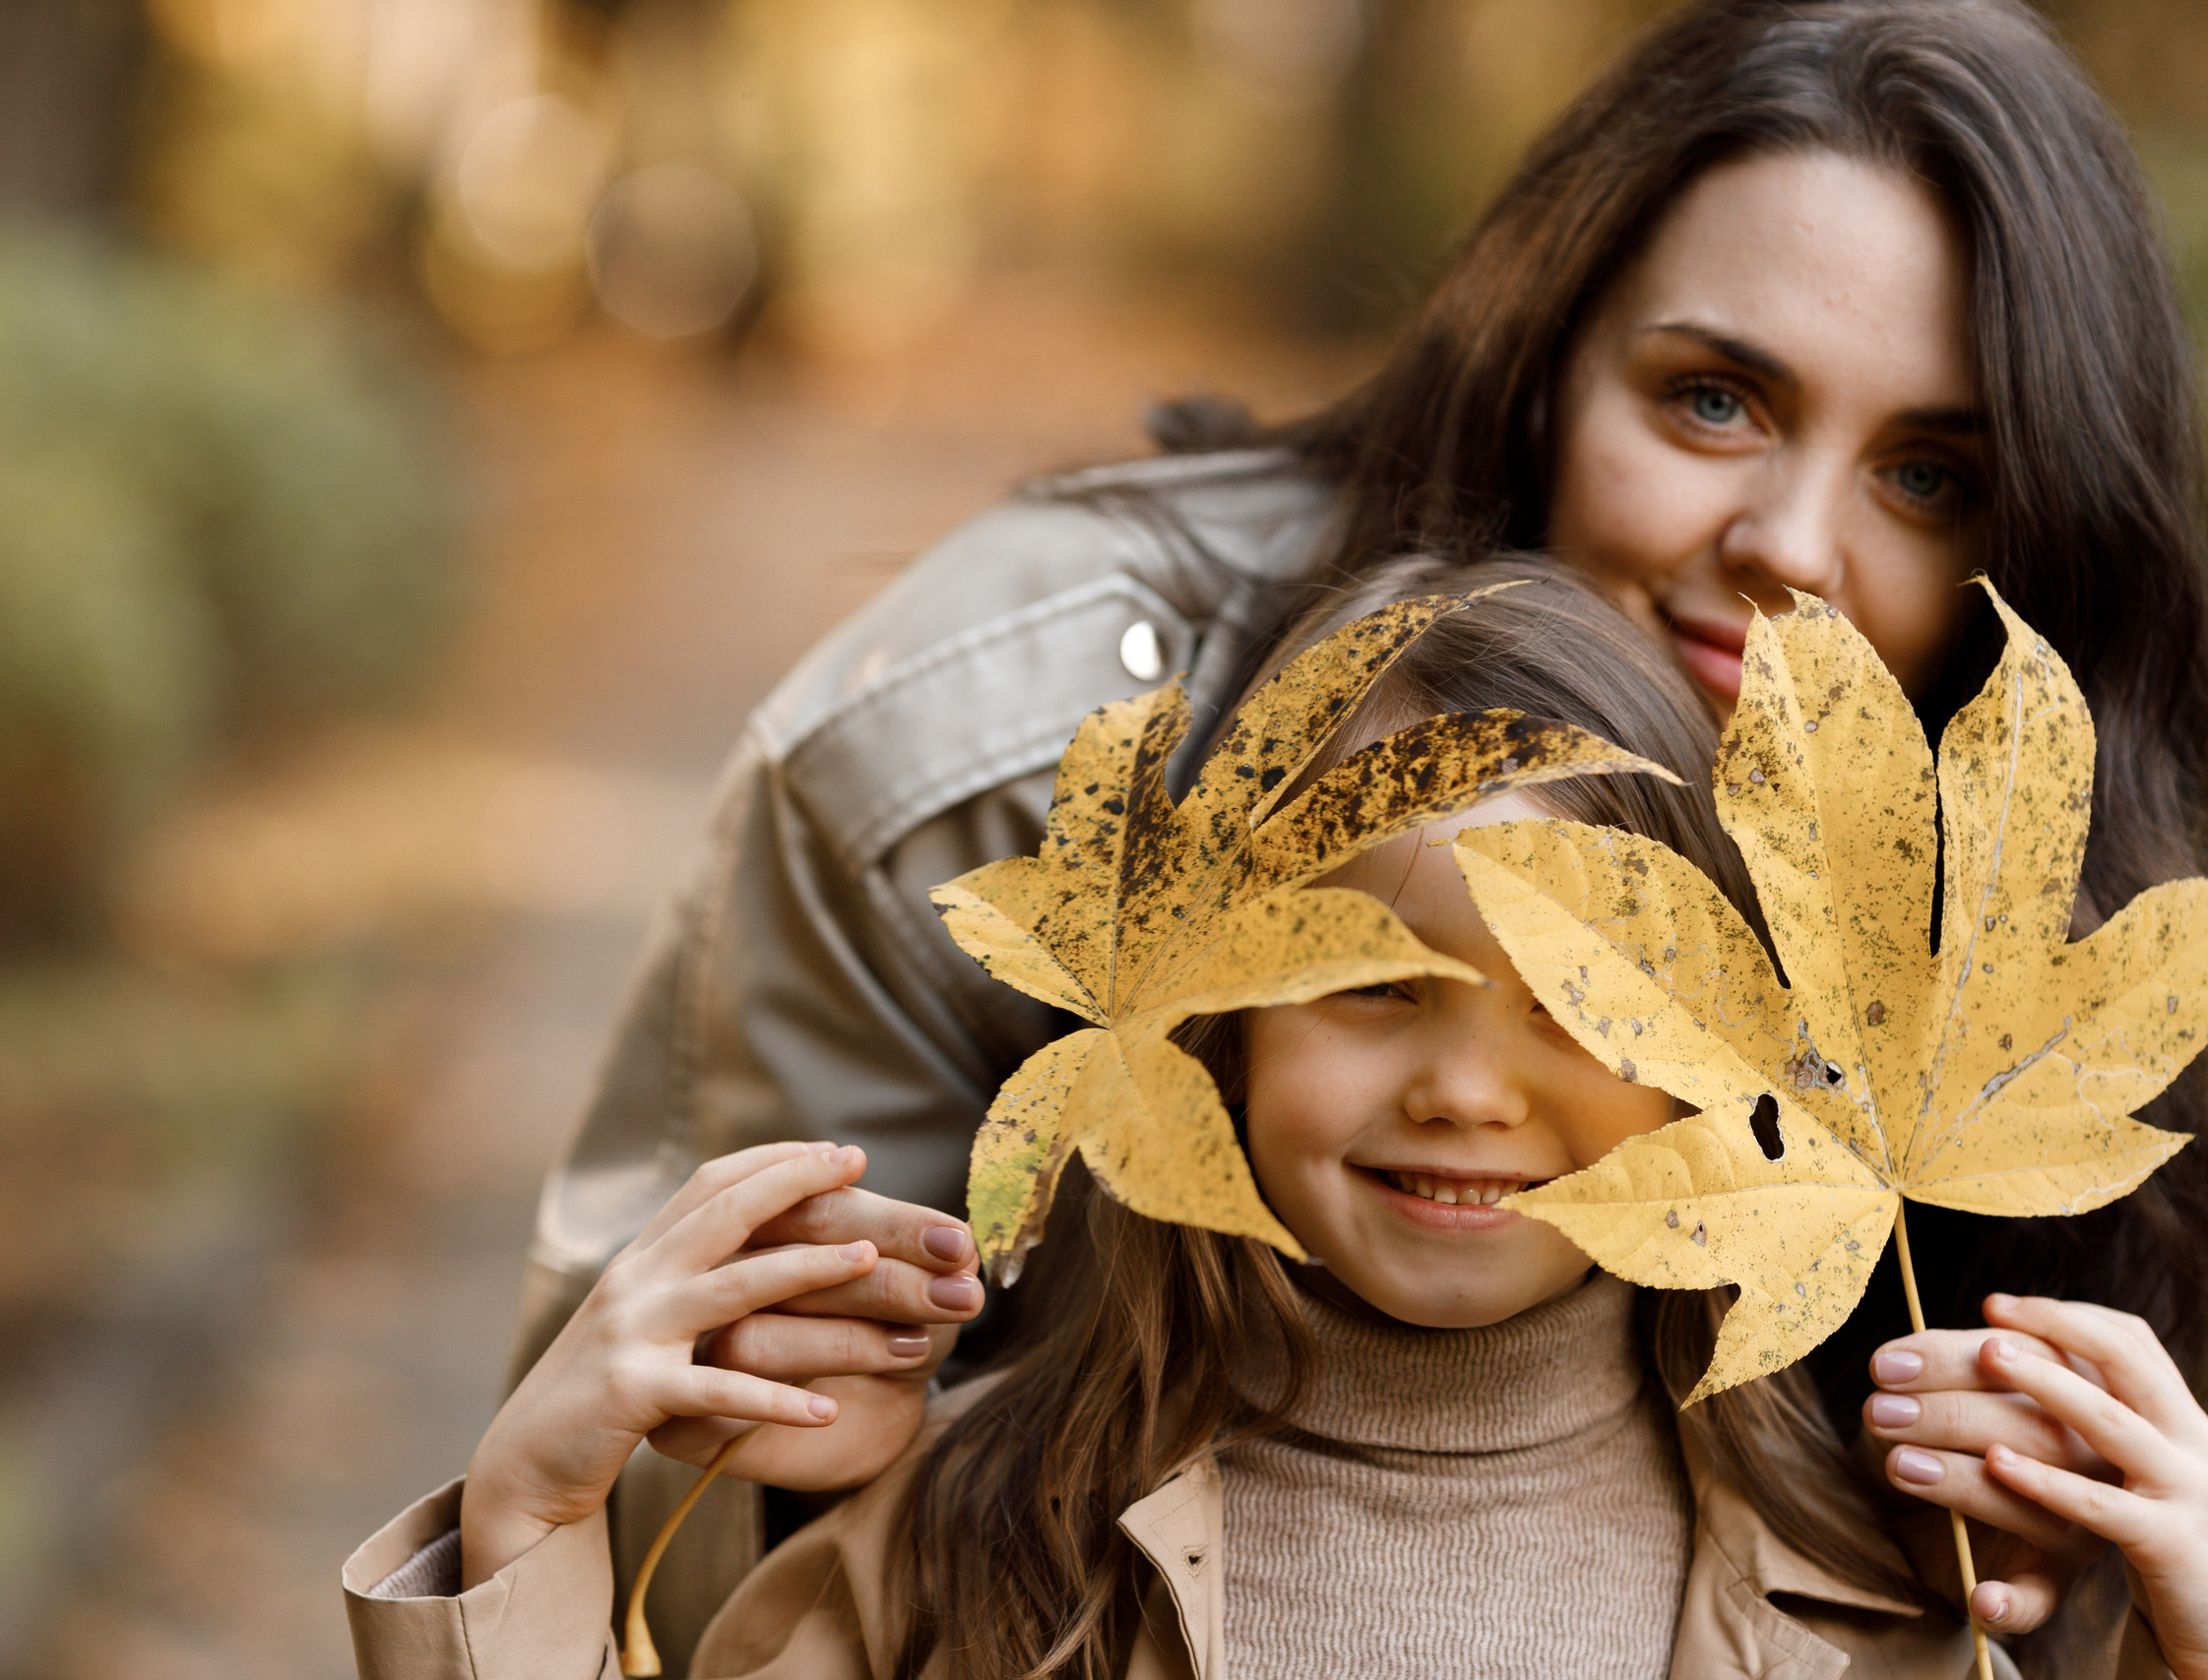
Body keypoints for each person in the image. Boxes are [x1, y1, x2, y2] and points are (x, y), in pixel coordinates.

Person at [501, 0, 2208, 1654]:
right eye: (1713, 399)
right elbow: (647, 1482)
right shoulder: (990, 765)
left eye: (1929, 476)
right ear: (1541, 370)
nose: (1790, 545)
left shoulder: (2056, 889)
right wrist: (783, 1491)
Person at [346, 572, 2208, 1676]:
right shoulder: (971, 1546)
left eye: (1579, 1004)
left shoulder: (1887, 1599)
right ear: (1213, 1022)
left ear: (1727, 1054)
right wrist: (530, 1526)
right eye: (1371, 980)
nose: (1466, 1086)